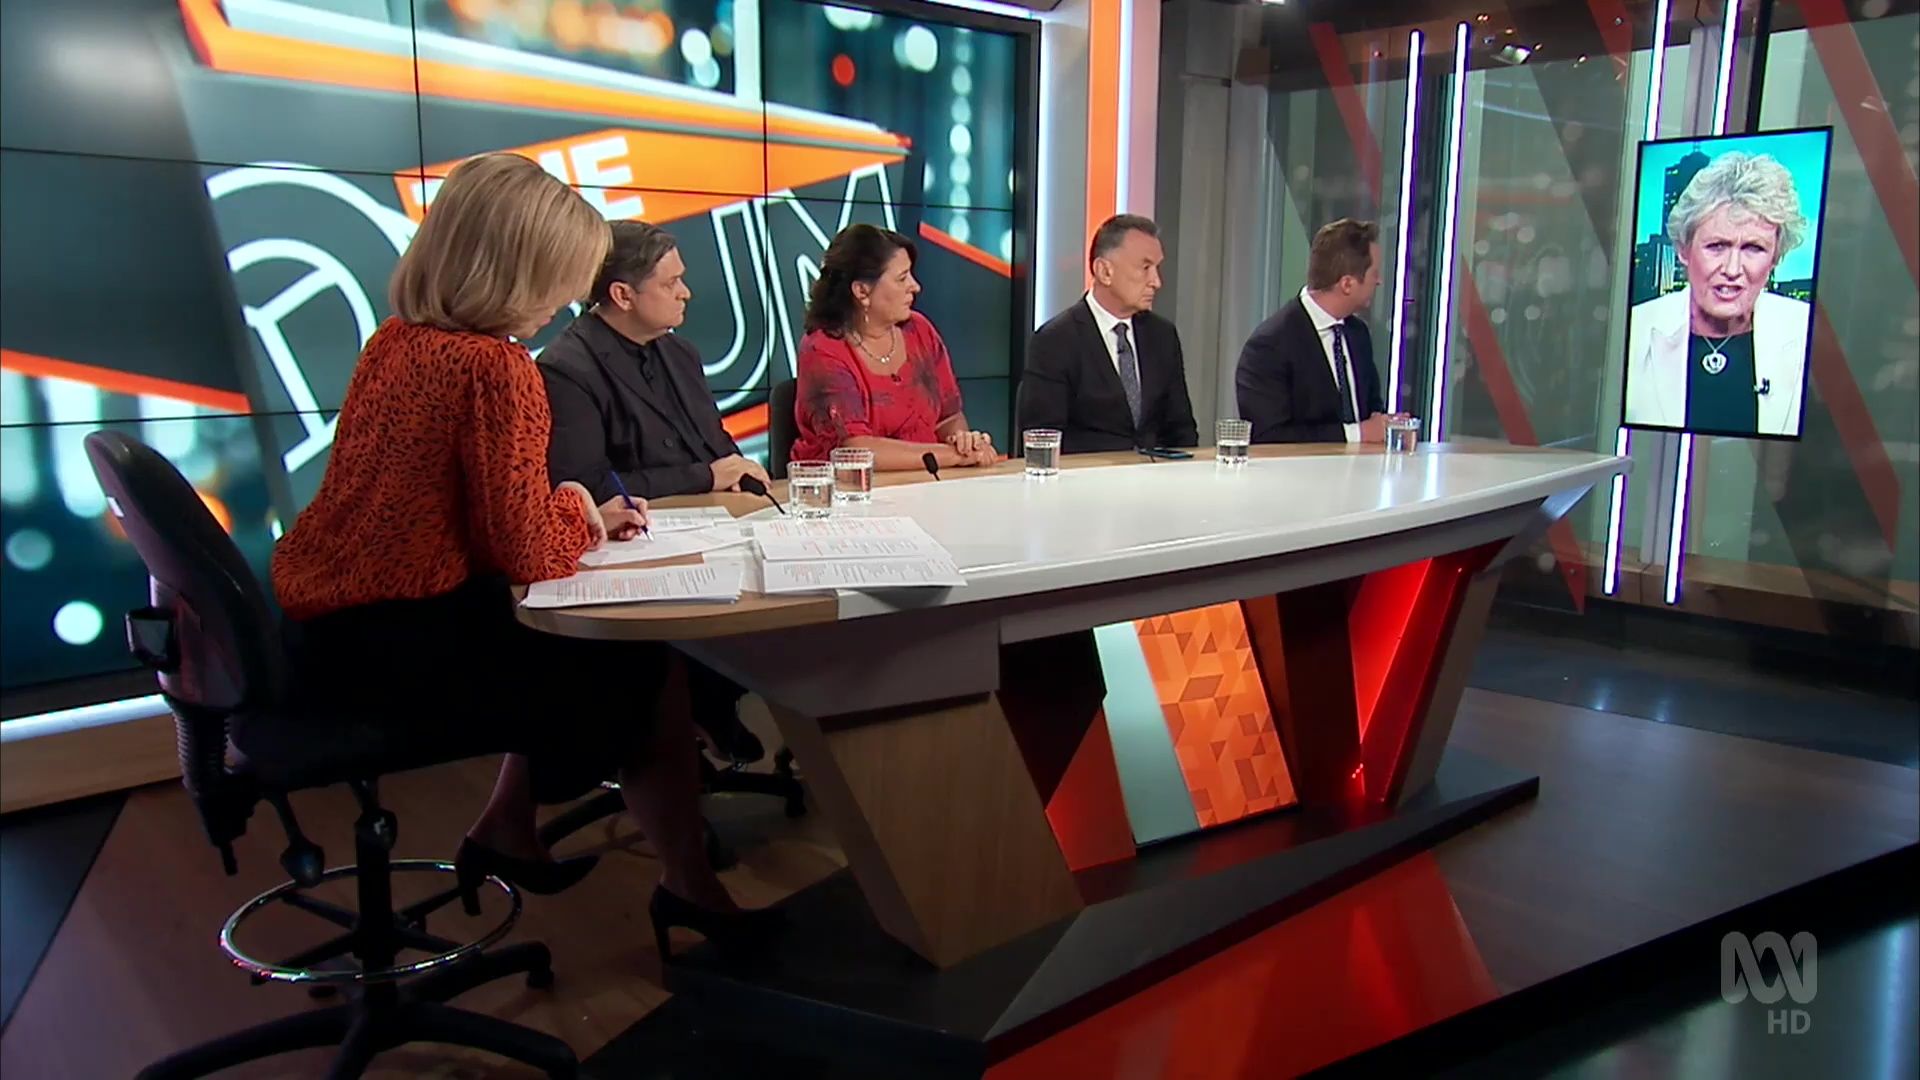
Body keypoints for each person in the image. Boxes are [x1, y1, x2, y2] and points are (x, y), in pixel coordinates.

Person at [270, 153, 768, 949]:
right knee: (642, 667)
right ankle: (690, 889)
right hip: (398, 641)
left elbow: (447, 508)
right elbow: (529, 550)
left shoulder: (395, 340)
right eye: (556, 278)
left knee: (599, 660)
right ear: (512, 269)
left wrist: (568, 514)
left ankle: (511, 829)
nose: (564, 300)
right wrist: (583, 513)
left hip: (324, 628)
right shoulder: (495, 367)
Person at [539, 220, 767, 765]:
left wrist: (741, 475)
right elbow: (588, 489)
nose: (686, 293)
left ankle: (712, 705)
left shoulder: (679, 353)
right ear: (622, 295)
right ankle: (683, 722)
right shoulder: (566, 368)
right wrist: (704, 477)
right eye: (671, 283)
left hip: (711, 529)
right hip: (632, 550)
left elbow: (717, 448)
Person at [1625, 151, 1810, 437]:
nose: (1732, 269)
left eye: (1753, 248)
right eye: (1716, 246)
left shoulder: (1806, 330)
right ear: (1683, 250)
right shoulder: (1634, 329)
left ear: (1775, 258)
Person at [790, 223, 997, 471]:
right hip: (848, 490)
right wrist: (952, 456)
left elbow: (948, 417)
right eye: (902, 278)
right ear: (862, 291)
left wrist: (963, 443)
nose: (915, 286)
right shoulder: (823, 349)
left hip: (927, 483)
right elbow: (855, 451)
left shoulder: (920, 331)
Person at [1019, 214, 1198, 454]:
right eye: (1145, 268)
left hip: (1156, 475)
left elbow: (1182, 430)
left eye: (1157, 268)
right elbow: (1043, 441)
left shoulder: (1162, 335)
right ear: (1104, 271)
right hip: (1087, 475)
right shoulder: (1055, 341)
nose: (1156, 282)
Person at [1235, 218, 1396, 444]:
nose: (1379, 281)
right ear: (1347, 284)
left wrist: (1389, 427)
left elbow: (1371, 411)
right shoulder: (1269, 346)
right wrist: (1357, 434)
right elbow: (1268, 437)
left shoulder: (1358, 333)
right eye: (1374, 273)